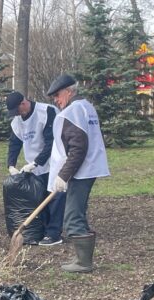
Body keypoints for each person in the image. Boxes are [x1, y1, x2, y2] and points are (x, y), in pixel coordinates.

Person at [46, 74, 109, 273]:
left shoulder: (71, 113)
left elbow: (77, 148)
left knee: (72, 217)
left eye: (57, 95)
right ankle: (83, 257)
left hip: (81, 170)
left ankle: (84, 262)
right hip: (89, 167)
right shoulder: (86, 107)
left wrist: (63, 175)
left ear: (69, 91)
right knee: (78, 212)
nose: (56, 99)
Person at [5, 90, 64, 245]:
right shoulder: (17, 121)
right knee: (39, 199)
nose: (17, 114)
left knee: (55, 198)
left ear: (24, 103)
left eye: (17, 110)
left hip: (53, 163)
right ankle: (43, 230)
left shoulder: (46, 112)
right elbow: (15, 142)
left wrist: (37, 162)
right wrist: (11, 164)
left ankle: (54, 233)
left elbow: (51, 142)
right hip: (34, 167)